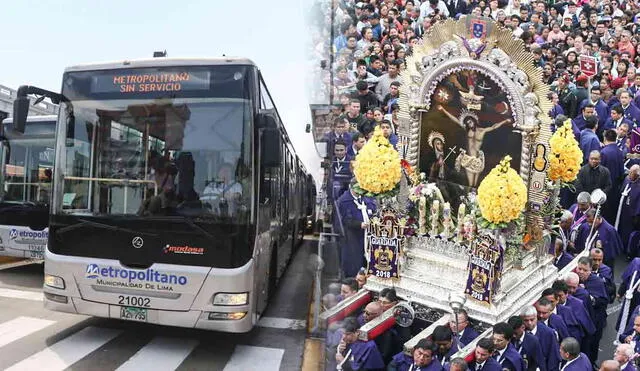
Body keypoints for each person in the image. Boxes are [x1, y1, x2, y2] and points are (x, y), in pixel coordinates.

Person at [437, 105, 513, 187]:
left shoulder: (482, 131)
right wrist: (443, 110)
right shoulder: (467, 130)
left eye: (470, 122)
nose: (469, 124)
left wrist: (505, 121)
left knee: (475, 184)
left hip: (478, 160)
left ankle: (472, 198)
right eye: (467, 123)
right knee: (470, 184)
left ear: (474, 121)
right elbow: (455, 120)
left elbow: (494, 127)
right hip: (468, 158)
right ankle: (468, 197)